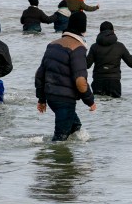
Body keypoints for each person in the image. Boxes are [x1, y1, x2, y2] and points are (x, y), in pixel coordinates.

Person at [35, 11, 96, 141]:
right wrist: (90, 101)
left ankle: (77, 152)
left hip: (51, 97)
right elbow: (80, 81)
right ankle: (52, 160)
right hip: (65, 100)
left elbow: (39, 74)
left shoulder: (52, 44)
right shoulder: (78, 48)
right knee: (59, 140)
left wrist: (42, 99)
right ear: (83, 28)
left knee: (75, 127)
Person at [86, 21, 132, 98]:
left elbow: (87, 65)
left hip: (98, 81)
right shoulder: (120, 46)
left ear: (100, 31)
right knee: (115, 107)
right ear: (113, 31)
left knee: (99, 106)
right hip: (114, 82)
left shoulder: (94, 47)